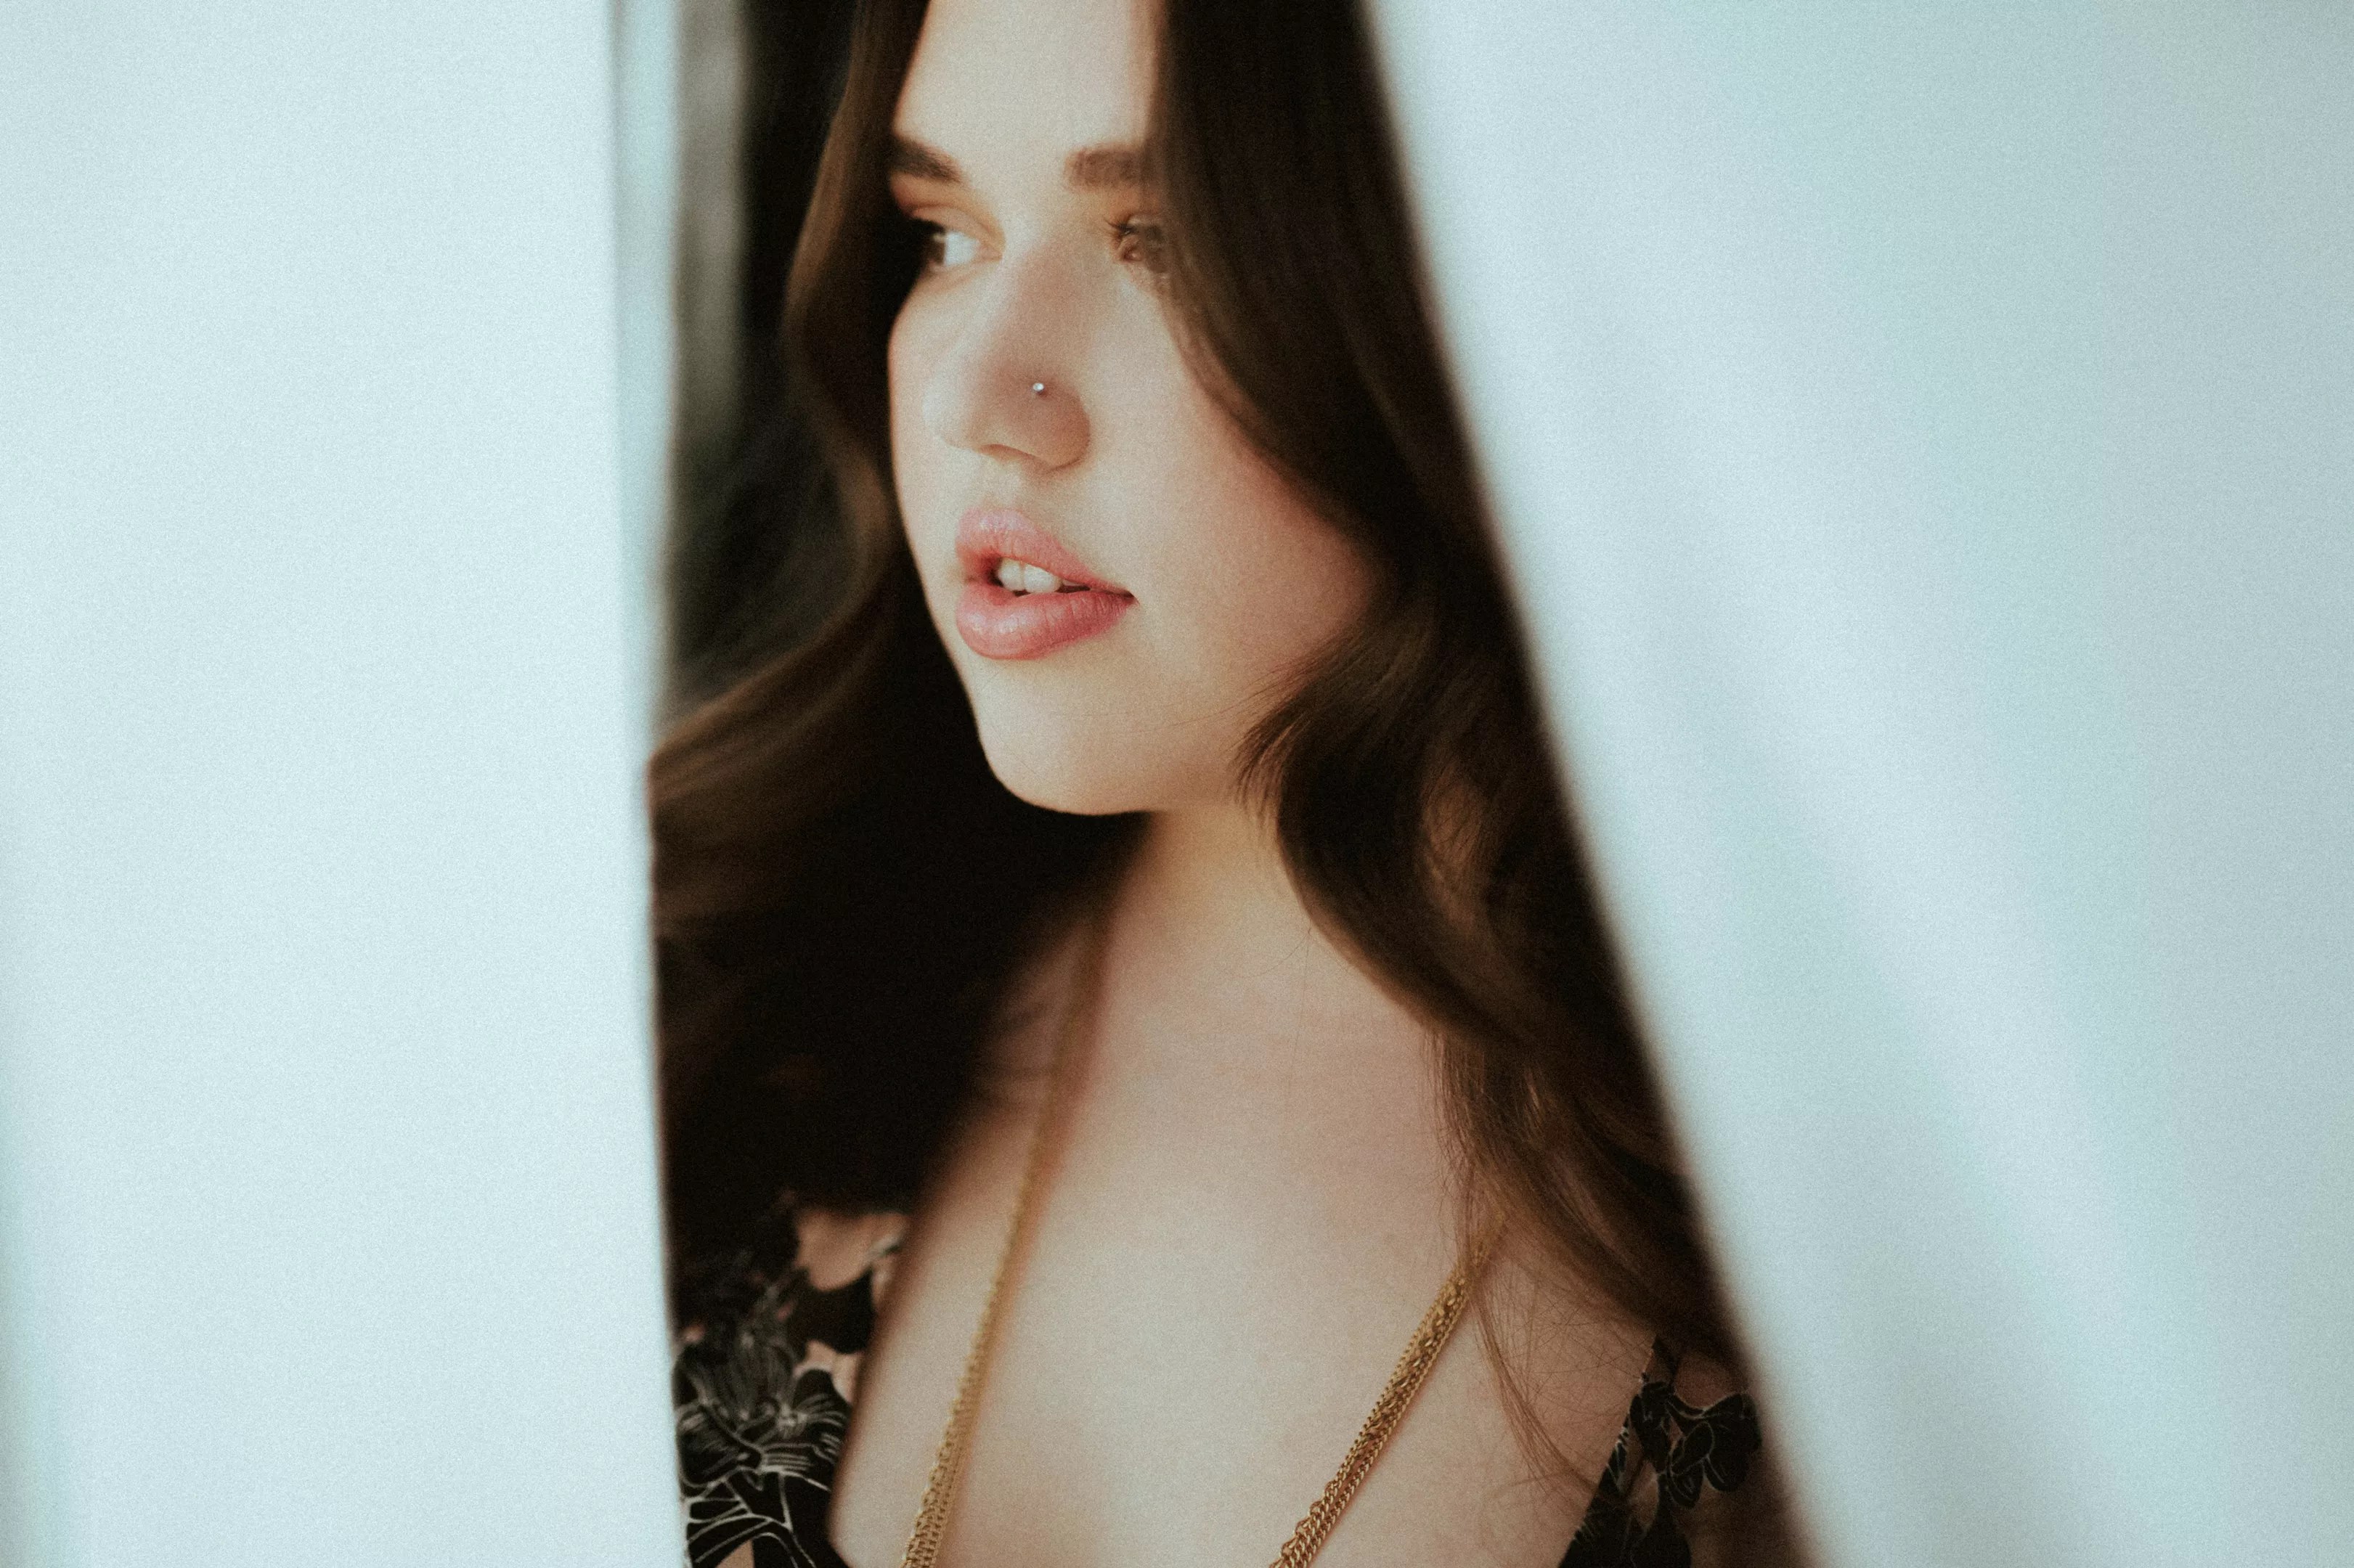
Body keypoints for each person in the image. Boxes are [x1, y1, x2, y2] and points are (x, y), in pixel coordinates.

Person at [656, 0, 1799, 1563]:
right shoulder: (693, 990)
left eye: (1164, 244)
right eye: (939, 235)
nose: (972, 397)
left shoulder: (1847, 1230)